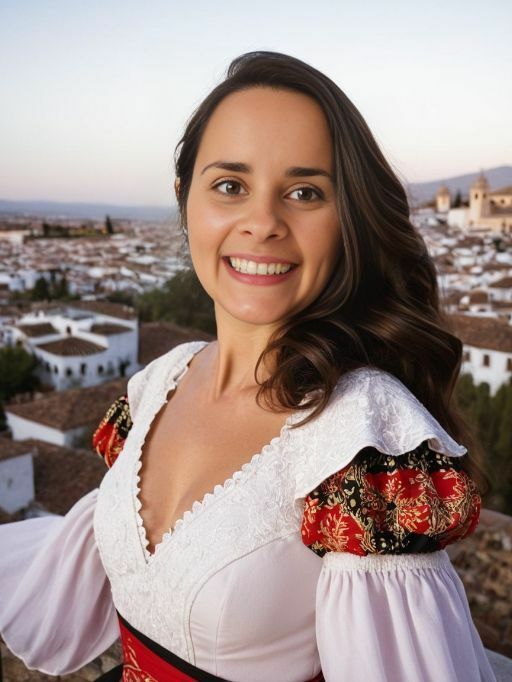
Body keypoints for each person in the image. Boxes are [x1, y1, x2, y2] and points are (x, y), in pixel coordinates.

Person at [0, 51, 498, 682]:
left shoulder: (361, 438)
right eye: (230, 186)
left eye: (305, 192)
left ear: (347, 220)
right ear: (184, 198)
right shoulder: (161, 381)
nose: (263, 223)